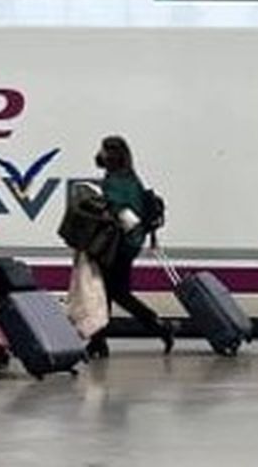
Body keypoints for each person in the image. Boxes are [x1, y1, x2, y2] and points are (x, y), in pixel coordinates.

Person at [87, 135, 175, 358]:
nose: (100, 154)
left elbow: (119, 212)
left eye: (104, 150)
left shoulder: (114, 182)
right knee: (115, 292)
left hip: (118, 245)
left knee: (107, 291)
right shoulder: (131, 178)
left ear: (112, 155)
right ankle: (101, 340)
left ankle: (102, 340)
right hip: (130, 244)